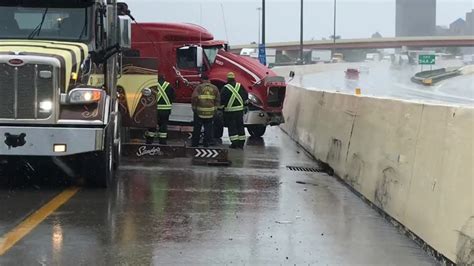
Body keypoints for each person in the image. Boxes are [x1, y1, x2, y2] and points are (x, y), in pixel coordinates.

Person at [145, 74, 175, 145]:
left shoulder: (153, 86)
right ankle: (162, 142)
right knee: (163, 126)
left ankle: (149, 142)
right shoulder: (169, 85)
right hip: (165, 111)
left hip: (154, 111)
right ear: (164, 78)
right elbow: (173, 96)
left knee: (152, 127)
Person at [221, 72, 248, 149]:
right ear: (234, 78)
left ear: (227, 79)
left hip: (230, 112)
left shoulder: (225, 88)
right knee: (240, 126)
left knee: (232, 127)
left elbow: (222, 101)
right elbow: (246, 97)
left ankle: (234, 143)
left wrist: (221, 108)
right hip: (239, 111)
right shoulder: (240, 86)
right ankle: (241, 143)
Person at [191, 74, 220, 147]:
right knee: (208, 128)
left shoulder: (199, 87)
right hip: (210, 112)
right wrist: (215, 109)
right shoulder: (215, 88)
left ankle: (195, 143)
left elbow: (194, 98)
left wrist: (194, 108)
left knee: (197, 128)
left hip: (199, 111)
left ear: (202, 80)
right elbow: (217, 100)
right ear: (209, 80)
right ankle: (206, 143)